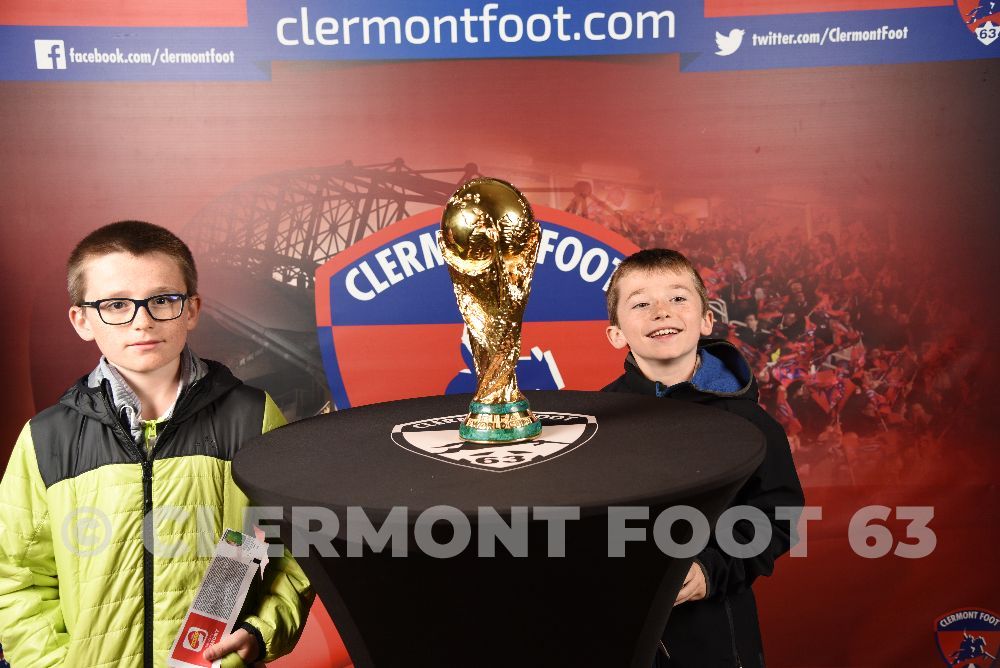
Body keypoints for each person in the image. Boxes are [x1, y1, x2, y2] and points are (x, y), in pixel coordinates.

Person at [0, 221, 313, 667]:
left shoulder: (253, 415)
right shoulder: (46, 438)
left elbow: (300, 543)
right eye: (115, 304)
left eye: (163, 300)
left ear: (192, 309)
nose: (142, 321)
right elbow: (15, 576)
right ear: (82, 320)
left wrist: (261, 631)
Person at [602, 248, 804, 667]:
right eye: (641, 303)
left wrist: (712, 569)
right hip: (618, 628)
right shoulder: (599, 420)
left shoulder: (749, 422)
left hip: (714, 633)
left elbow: (777, 514)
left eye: (677, 298)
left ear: (706, 319)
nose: (661, 312)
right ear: (616, 333)